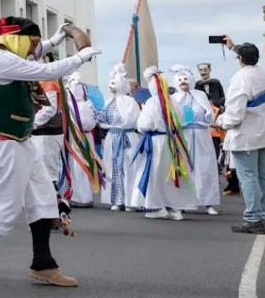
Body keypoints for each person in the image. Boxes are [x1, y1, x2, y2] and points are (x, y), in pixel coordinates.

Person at [0, 16, 99, 289]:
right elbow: (44, 70)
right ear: (17, 40)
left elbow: (33, 57)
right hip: (0, 142)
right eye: (32, 43)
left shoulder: (7, 55)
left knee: (44, 196)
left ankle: (43, 263)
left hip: (19, 140)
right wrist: (79, 58)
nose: (33, 49)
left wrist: (56, 40)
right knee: (2, 204)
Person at [216, 36, 265, 235]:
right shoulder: (262, 72)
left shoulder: (240, 79)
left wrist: (220, 121)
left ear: (240, 60)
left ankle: (253, 219)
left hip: (246, 137)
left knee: (249, 178)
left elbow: (234, 116)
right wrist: (233, 47)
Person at [130, 67, 197, 220]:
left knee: (155, 174)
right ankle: (176, 208)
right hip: (173, 142)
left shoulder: (151, 103)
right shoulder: (174, 101)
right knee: (173, 174)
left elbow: (143, 125)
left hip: (156, 142)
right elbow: (181, 121)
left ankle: (158, 207)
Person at [170, 65, 221, 215]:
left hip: (201, 135)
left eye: (185, 78)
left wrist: (206, 119)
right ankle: (183, 201)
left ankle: (208, 202)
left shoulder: (200, 95)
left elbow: (209, 114)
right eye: (179, 79)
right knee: (184, 168)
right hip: (183, 136)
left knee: (205, 167)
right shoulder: (174, 98)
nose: (183, 81)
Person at [94, 63, 141, 211]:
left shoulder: (130, 102)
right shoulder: (109, 102)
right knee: (113, 168)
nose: (109, 86)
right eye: (110, 83)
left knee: (129, 168)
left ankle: (131, 201)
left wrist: (120, 126)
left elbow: (131, 120)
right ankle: (118, 200)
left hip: (127, 138)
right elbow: (103, 119)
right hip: (112, 138)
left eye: (113, 83)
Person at [60, 72, 98, 208]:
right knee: (76, 165)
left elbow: (88, 123)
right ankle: (77, 195)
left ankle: (82, 197)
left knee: (81, 165)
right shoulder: (74, 105)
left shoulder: (83, 106)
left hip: (80, 139)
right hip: (75, 137)